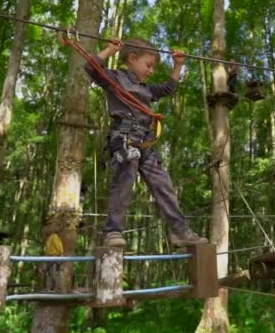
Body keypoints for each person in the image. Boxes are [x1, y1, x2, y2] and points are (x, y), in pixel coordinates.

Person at [84, 38, 208, 248]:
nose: (151, 71)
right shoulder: (116, 78)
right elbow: (91, 67)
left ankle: (179, 231)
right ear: (132, 59)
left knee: (163, 184)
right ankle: (113, 231)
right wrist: (111, 49)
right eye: (148, 65)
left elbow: (168, 88)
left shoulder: (146, 89)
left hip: (145, 141)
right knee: (125, 178)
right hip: (124, 136)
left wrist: (178, 65)